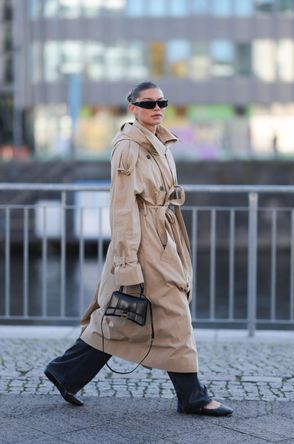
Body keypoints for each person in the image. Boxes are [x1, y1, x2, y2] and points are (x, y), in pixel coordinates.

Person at [44, 81, 233, 417]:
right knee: (174, 311)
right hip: (146, 241)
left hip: (163, 234)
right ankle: (192, 395)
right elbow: (122, 209)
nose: (157, 107)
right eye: (148, 103)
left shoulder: (159, 141)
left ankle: (66, 372)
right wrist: (128, 263)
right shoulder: (128, 147)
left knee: (122, 318)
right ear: (132, 107)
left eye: (162, 101)